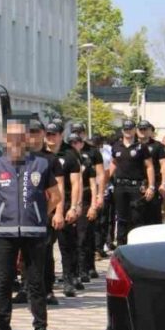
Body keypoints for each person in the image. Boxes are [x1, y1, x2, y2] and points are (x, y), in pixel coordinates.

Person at [0, 119, 61, 330]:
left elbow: (55, 196)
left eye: (20, 137)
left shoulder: (41, 164)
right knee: (4, 281)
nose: (15, 141)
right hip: (4, 232)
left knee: (36, 282)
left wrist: (40, 214)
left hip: (34, 231)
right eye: (11, 137)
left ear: (26, 139)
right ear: (6, 139)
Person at [23, 120, 66, 306]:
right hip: (25, 213)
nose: (33, 135)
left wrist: (57, 212)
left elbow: (60, 188)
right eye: (29, 132)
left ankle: (47, 290)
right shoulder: (20, 157)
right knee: (24, 253)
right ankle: (26, 288)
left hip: (45, 212)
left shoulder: (51, 159)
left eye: (36, 131)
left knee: (45, 252)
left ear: (42, 133)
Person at [43, 121, 82, 299]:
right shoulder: (40, 153)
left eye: (53, 134)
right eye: (48, 134)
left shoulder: (69, 154)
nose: (50, 137)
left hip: (64, 202)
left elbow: (76, 183)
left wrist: (74, 206)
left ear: (60, 135)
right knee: (45, 247)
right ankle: (47, 284)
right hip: (46, 203)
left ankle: (69, 278)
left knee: (67, 245)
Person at [109, 119, 155, 247]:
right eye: (125, 129)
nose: (128, 131)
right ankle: (121, 246)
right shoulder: (116, 146)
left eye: (130, 128)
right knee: (121, 218)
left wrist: (151, 186)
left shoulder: (141, 146)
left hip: (136, 186)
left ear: (135, 130)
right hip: (120, 186)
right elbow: (113, 163)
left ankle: (136, 246)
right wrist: (106, 181)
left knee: (136, 218)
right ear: (122, 130)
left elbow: (149, 166)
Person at [70, 122, 105, 280]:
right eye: (74, 132)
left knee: (87, 233)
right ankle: (75, 269)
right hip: (71, 195)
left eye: (80, 132)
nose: (77, 135)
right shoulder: (67, 150)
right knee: (74, 235)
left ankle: (87, 266)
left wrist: (99, 195)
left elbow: (100, 175)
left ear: (84, 133)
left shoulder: (92, 151)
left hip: (87, 194)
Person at [138, 121, 165, 226]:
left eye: (146, 129)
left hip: (154, 183)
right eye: (141, 129)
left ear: (150, 130)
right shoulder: (133, 145)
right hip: (136, 183)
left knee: (154, 214)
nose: (143, 131)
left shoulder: (157, 146)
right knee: (137, 215)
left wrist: (163, 182)